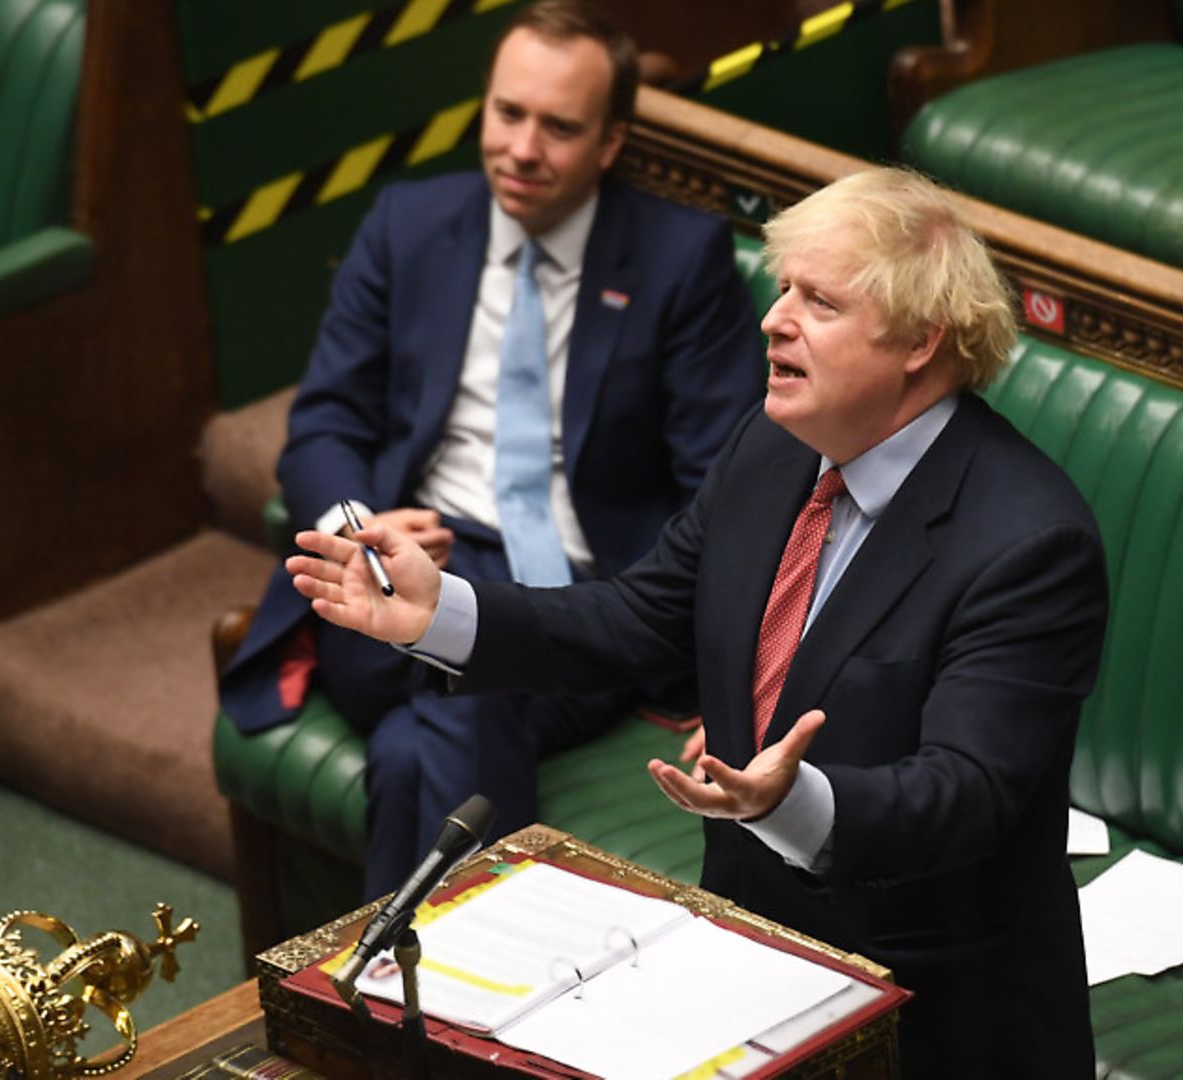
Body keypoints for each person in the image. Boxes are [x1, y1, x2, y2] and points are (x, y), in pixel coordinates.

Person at [286, 167, 1107, 1077]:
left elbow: (968, 795)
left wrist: (793, 802)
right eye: (782, 285)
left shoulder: (1029, 542)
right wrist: (440, 611)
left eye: (819, 301)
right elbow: (638, 617)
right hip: (748, 965)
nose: (774, 317)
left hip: (935, 1014)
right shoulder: (773, 447)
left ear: (921, 340)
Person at [219, 0, 765, 900]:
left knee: (432, 726)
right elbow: (324, 422)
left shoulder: (679, 259)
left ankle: (397, 1000)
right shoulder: (408, 225)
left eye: (560, 127)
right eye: (508, 114)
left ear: (611, 141)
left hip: (578, 600)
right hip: (396, 568)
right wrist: (359, 527)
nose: (522, 147)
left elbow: (723, 483)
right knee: (472, 667)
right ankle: (474, 991)